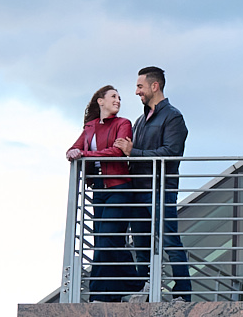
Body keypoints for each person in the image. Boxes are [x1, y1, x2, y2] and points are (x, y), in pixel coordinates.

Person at [115, 65, 192, 300]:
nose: (137, 91)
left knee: (169, 238)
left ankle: (183, 292)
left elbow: (171, 152)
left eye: (140, 86)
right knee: (139, 240)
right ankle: (145, 287)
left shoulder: (173, 116)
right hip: (138, 189)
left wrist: (133, 151)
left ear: (154, 86)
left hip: (160, 189)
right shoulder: (140, 121)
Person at [66, 85, 135, 302]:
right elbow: (72, 150)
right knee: (103, 241)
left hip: (119, 187)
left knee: (107, 240)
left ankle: (133, 283)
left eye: (119, 98)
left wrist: (84, 153)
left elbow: (117, 152)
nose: (118, 100)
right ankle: (111, 295)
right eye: (113, 97)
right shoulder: (90, 127)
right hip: (99, 189)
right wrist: (73, 152)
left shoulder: (123, 123)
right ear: (100, 101)